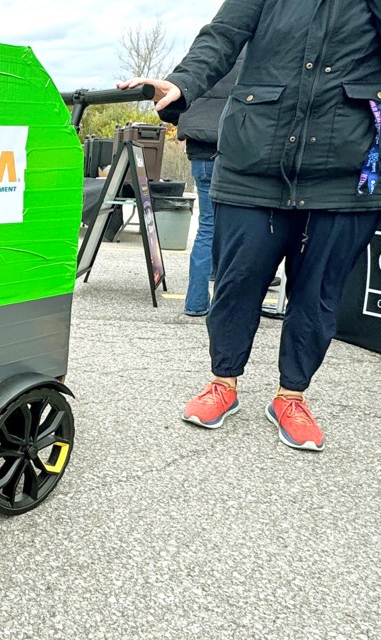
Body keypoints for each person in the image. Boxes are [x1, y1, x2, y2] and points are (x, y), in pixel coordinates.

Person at [119, 0, 381, 452]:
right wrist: (182, 82)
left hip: (345, 173)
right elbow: (220, 37)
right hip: (251, 161)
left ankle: (291, 396)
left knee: (318, 294)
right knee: (238, 282)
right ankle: (223, 381)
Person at [176, 59, 242, 317]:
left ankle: (195, 302)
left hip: (200, 155)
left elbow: (171, 103)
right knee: (233, 228)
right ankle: (225, 303)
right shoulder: (249, 60)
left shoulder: (202, 63)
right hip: (231, 154)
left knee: (207, 227)